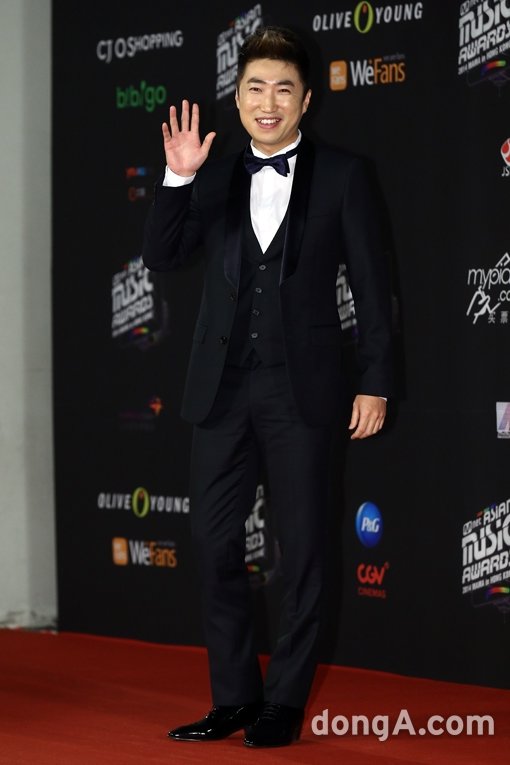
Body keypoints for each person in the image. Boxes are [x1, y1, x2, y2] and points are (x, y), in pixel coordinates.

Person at [143, 25, 393, 748]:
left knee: (305, 549)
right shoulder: (213, 172)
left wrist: (375, 381)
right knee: (212, 542)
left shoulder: (344, 176)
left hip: (302, 392)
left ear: (306, 100)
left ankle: (283, 700)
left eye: (284, 89)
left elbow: (374, 288)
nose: (268, 102)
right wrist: (178, 178)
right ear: (239, 96)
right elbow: (163, 254)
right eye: (255, 88)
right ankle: (233, 697)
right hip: (219, 391)